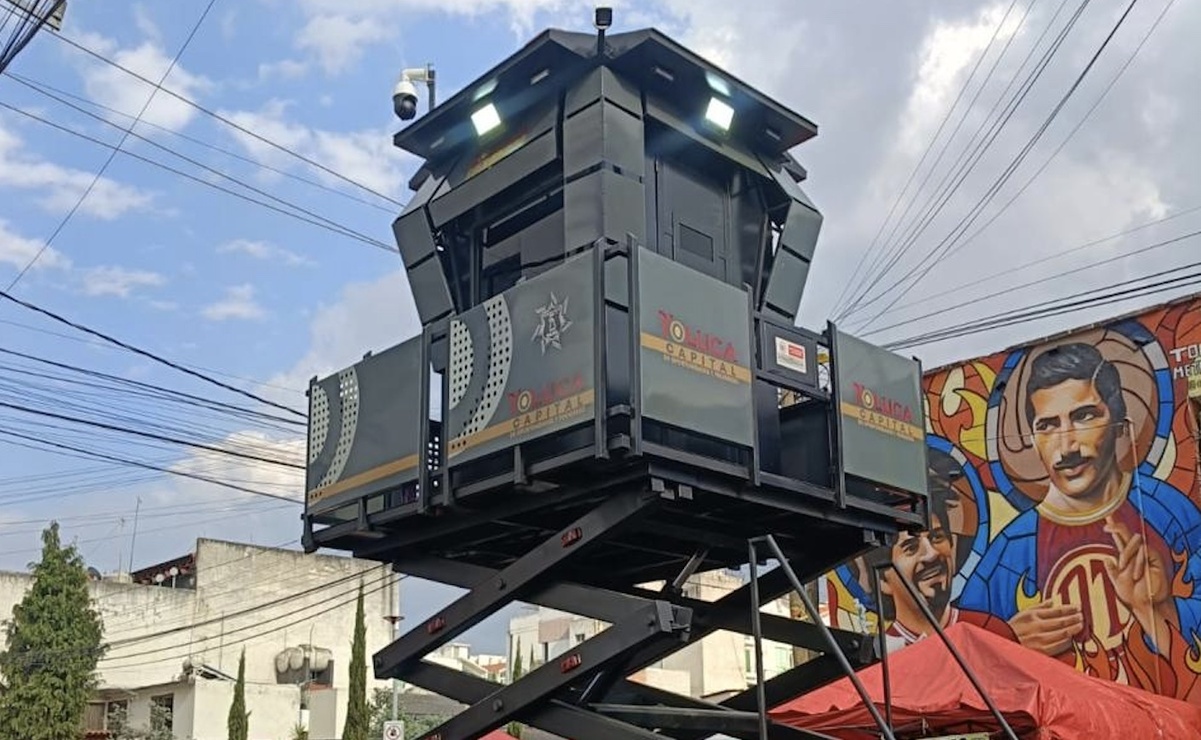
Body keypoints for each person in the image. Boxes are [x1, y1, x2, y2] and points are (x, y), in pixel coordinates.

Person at [957, 342, 1201, 700]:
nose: (1067, 446)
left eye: (1084, 416)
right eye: (1048, 425)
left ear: (1120, 423)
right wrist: (1008, 642)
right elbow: (957, 660)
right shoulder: (1011, 551)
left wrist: (1158, 608)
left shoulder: (1169, 514)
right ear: (1032, 440)